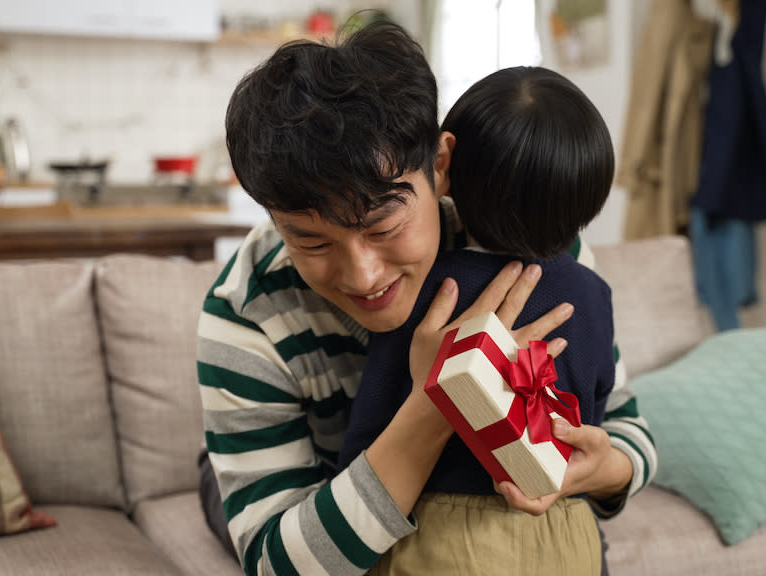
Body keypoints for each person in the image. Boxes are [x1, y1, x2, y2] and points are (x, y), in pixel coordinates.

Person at [197, 19, 656, 576]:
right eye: (311, 240)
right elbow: (277, 564)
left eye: (383, 225)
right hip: (322, 486)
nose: (362, 275)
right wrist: (440, 398)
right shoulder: (248, 312)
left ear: (440, 165)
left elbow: (628, 428)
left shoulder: (523, 236)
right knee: (220, 490)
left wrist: (604, 470)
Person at [337, 65, 617, 574]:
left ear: (446, 167)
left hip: (444, 540)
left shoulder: (427, 290)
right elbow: (594, 410)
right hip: (565, 528)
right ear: (591, 197)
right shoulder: (593, 294)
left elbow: (371, 428)